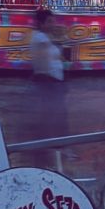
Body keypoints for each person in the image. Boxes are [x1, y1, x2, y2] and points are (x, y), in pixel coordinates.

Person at [29, 9, 67, 156]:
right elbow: (43, 63)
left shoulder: (44, 38)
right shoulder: (40, 39)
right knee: (53, 117)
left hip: (53, 82)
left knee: (53, 116)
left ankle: (51, 148)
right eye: (49, 21)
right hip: (50, 83)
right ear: (41, 23)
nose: (53, 24)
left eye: (53, 20)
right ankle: (51, 148)